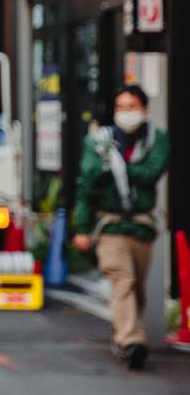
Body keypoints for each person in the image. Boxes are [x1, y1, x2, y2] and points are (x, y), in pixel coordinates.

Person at [71, 84, 169, 370]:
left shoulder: (156, 140)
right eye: (121, 107)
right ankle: (132, 341)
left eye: (132, 107)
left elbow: (152, 173)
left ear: (145, 110)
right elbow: (87, 184)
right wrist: (81, 228)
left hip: (141, 225)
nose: (126, 113)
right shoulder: (99, 142)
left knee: (135, 287)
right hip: (110, 225)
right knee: (122, 279)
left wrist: (114, 167)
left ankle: (122, 338)